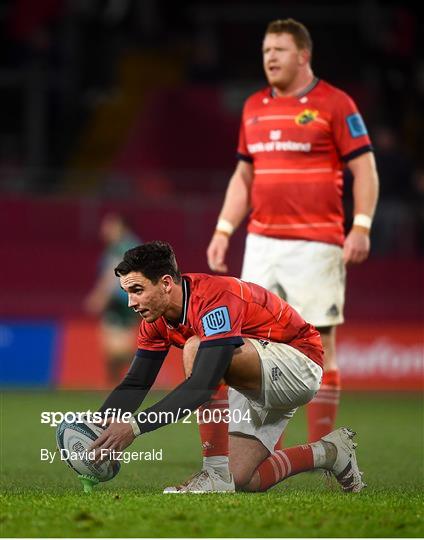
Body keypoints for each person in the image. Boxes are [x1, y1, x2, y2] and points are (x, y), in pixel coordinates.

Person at [206, 18, 379, 447]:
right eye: (266, 50)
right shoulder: (253, 107)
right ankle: (261, 450)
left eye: (279, 50)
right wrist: (224, 229)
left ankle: (327, 447)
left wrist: (361, 226)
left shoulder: (336, 104)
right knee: (246, 341)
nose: (270, 57)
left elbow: (365, 168)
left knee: (321, 341)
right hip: (262, 242)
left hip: (317, 243)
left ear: (303, 55)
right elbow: (243, 176)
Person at [90, 241, 365, 494]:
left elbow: (202, 386)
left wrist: (134, 427)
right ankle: (330, 452)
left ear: (165, 283)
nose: (131, 303)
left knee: (196, 348)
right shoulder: (154, 322)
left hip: (299, 364)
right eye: (127, 292)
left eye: (137, 291)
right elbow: (136, 383)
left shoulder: (212, 299)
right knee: (243, 479)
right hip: (252, 372)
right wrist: (94, 428)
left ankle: (213, 473)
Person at [84, 213, 141, 384]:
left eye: (109, 225)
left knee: (115, 350)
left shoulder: (121, 247)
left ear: (121, 227)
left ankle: (147, 370)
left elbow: (112, 275)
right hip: (130, 302)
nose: (104, 229)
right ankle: (115, 387)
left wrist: (99, 297)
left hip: (120, 303)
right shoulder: (129, 245)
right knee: (112, 352)